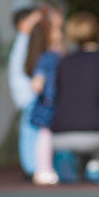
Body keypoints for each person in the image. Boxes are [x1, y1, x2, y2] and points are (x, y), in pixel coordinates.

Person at [46, 12, 99, 184]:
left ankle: (66, 157)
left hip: (60, 134)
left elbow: (58, 94)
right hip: (95, 132)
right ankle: (96, 165)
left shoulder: (63, 62)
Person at [28, 10, 66, 185]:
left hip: (57, 102)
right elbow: (38, 78)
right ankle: (43, 169)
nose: (60, 33)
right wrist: (38, 82)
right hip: (48, 103)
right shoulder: (47, 57)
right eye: (56, 30)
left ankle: (56, 169)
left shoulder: (61, 55)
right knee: (45, 136)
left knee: (54, 138)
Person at [7, 6, 44, 176]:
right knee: (31, 131)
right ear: (23, 24)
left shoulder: (23, 41)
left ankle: (33, 165)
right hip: (28, 94)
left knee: (31, 130)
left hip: (26, 94)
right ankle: (31, 167)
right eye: (33, 20)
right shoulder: (25, 41)